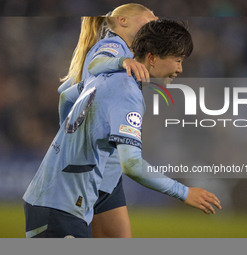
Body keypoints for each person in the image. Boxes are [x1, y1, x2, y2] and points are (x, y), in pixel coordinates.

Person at [23, 19, 222, 238]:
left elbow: (66, 96)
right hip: (61, 208)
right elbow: (132, 165)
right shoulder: (128, 93)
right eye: (177, 60)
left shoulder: (110, 76)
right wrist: (184, 192)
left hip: (53, 199)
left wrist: (67, 135)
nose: (179, 69)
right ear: (152, 58)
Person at [58, 4, 157, 238]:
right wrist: (121, 62)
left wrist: (66, 132)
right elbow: (98, 64)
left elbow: (65, 92)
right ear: (122, 21)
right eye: (149, 18)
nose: (155, 22)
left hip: (105, 173)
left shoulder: (128, 52)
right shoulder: (113, 47)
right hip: (93, 171)